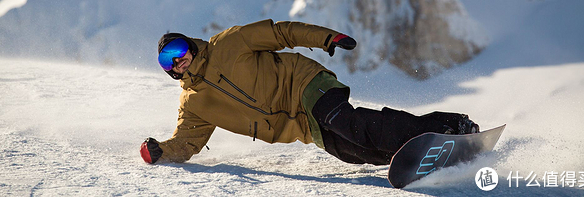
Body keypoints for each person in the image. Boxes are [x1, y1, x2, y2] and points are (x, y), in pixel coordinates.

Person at [140, 19, 479, 165]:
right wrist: (160, 152)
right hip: (301, 127)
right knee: (354, 150)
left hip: (305, 84)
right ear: (166, 68)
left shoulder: (229, 43)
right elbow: (187, 142)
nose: (179, 59)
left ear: (191, 45)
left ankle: (450, 125)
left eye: (180, 48)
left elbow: (281, 32)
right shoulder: (194, 105)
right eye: (167, 58)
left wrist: (327, 38)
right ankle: (420, 155)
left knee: (349, 123)